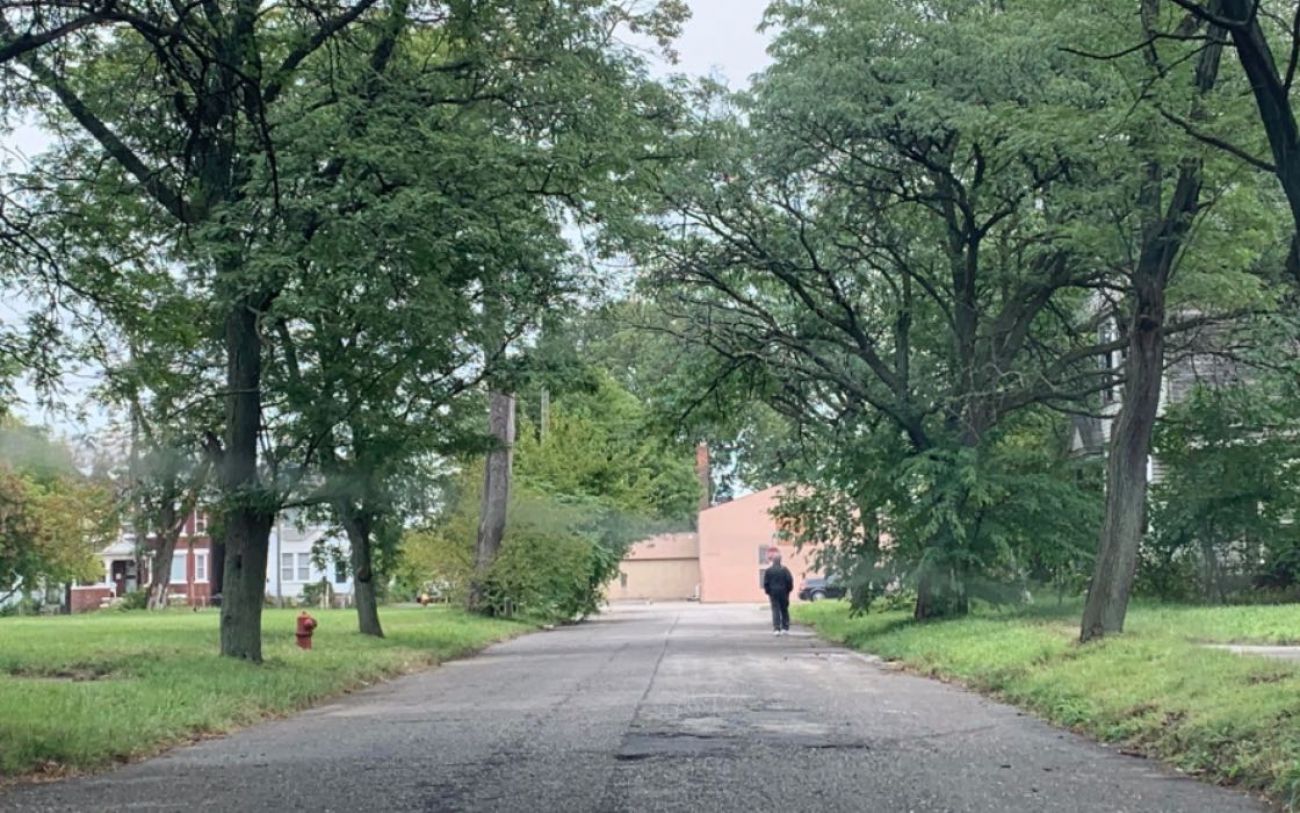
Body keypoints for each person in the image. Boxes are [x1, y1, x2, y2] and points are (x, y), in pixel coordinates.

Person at [763, 553, 794, 635]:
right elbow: (789, 581)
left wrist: (768, 591)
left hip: (773, 593)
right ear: (780, 560)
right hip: (784, 592)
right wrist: (788, 590)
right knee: (784, 609)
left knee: (775, 609)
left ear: (773, 560)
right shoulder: (785, 570)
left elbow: (766, 583)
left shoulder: (769, 571)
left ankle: (776, 628)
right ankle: (785, 627)